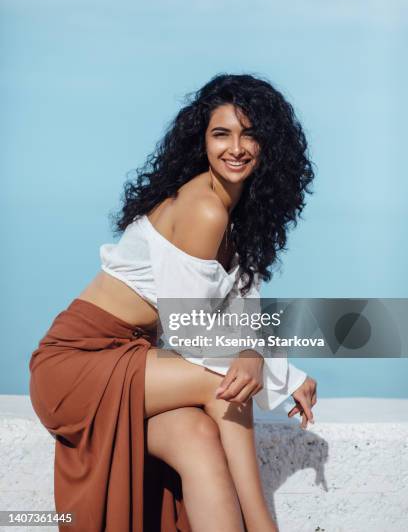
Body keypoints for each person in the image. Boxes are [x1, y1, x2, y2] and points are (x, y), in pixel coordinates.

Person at [29, 73, 317, 532]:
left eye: (249, 134)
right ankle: (263, 525)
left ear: (270, 144)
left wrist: (276, 364)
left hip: (139, 361)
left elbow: (245, 316)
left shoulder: (241, 215)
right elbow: (194, 335)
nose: (235, 147)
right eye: (221, 133)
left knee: (199, 438)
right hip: (77, 363)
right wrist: (262, 360)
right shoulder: (203, 207)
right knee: (225, 382)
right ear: (201, 140)